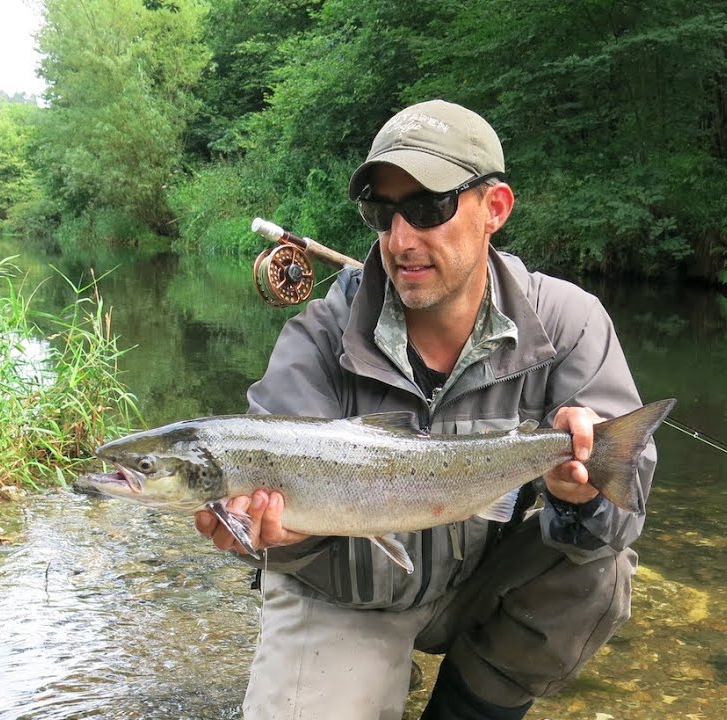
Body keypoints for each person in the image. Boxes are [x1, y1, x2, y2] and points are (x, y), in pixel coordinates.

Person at [195, 98, 660, 720]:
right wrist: (277, 539)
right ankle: (377, 669)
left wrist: (583, 496)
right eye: (382, 213)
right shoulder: (320, 337)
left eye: (428, 208)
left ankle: (467, 704)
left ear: (495, 208)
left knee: (600, 571)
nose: (401, 240)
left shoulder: (567, 323)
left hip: (482, 582)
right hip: (347, 593)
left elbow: (624, 516)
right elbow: (267, 519)